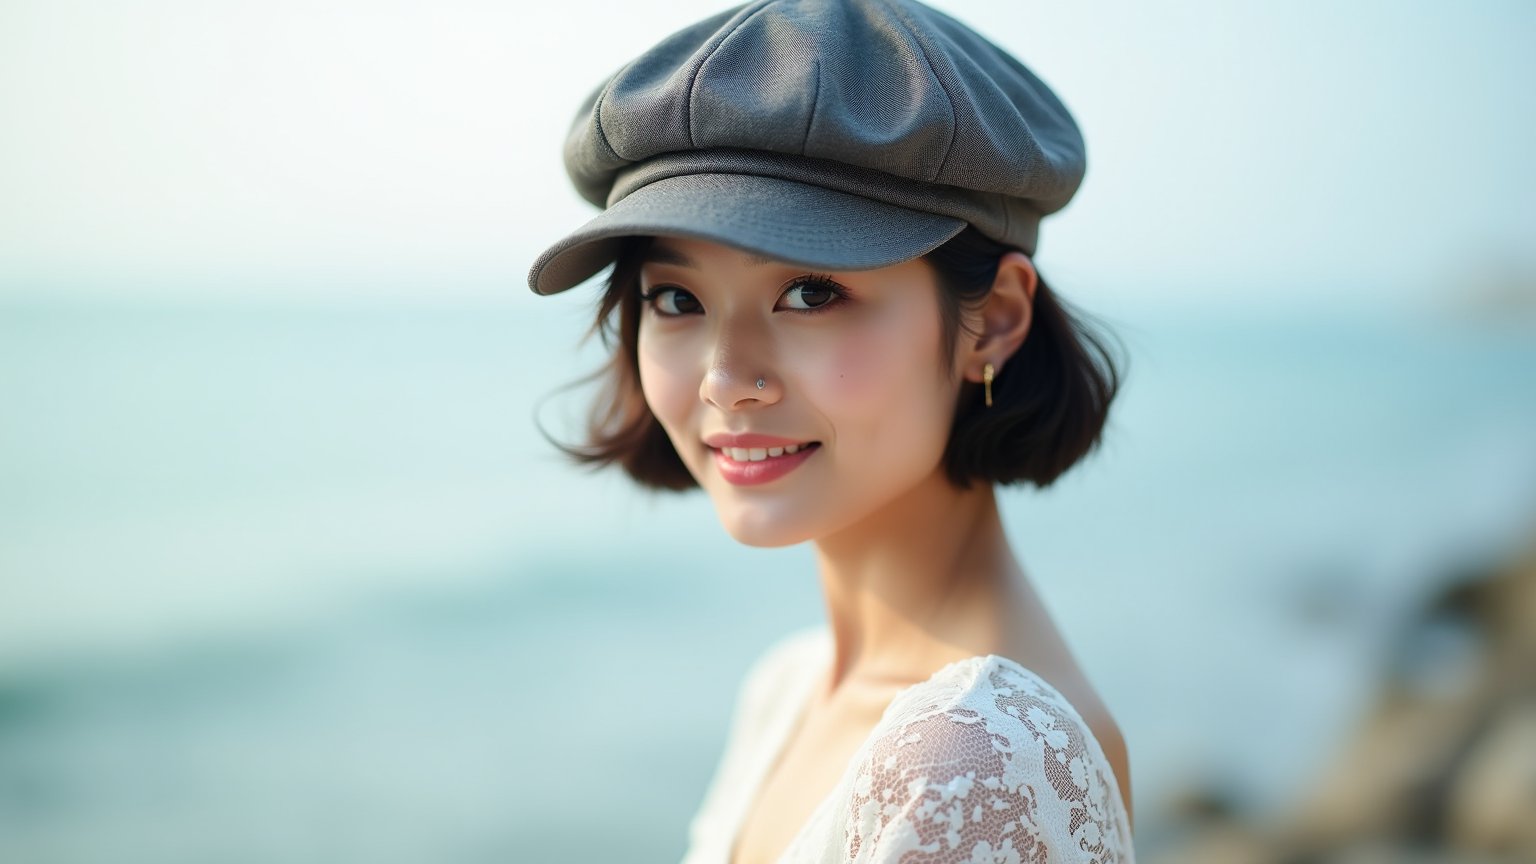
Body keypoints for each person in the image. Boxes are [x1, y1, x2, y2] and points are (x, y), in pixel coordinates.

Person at [528, 0, 1135, 860]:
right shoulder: (790, 687)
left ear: (995, 320)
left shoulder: (980, 758)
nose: (726, 380)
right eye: (676, 298)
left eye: (811, 293)